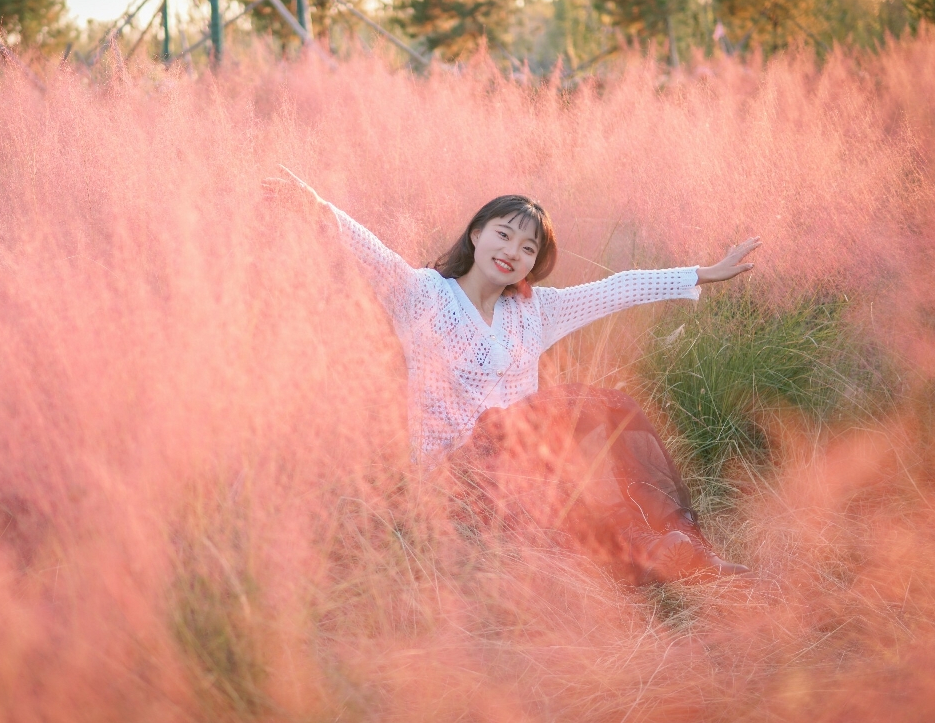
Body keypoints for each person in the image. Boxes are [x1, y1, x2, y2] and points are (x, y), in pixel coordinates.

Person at [267, 170, 757, 584]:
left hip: (523, 466)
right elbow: (371, 253)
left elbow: (617, 289)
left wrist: (702, 273)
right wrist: (316, 206)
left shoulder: (532, 311)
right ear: (477, 234)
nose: (512, 251)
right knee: (548, 415)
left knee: (607, 410)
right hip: (452, 474)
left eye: (527, 247)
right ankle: (649, 551)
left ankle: (678, 551)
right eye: (503, 234)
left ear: (533, 262)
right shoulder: (423, 294)